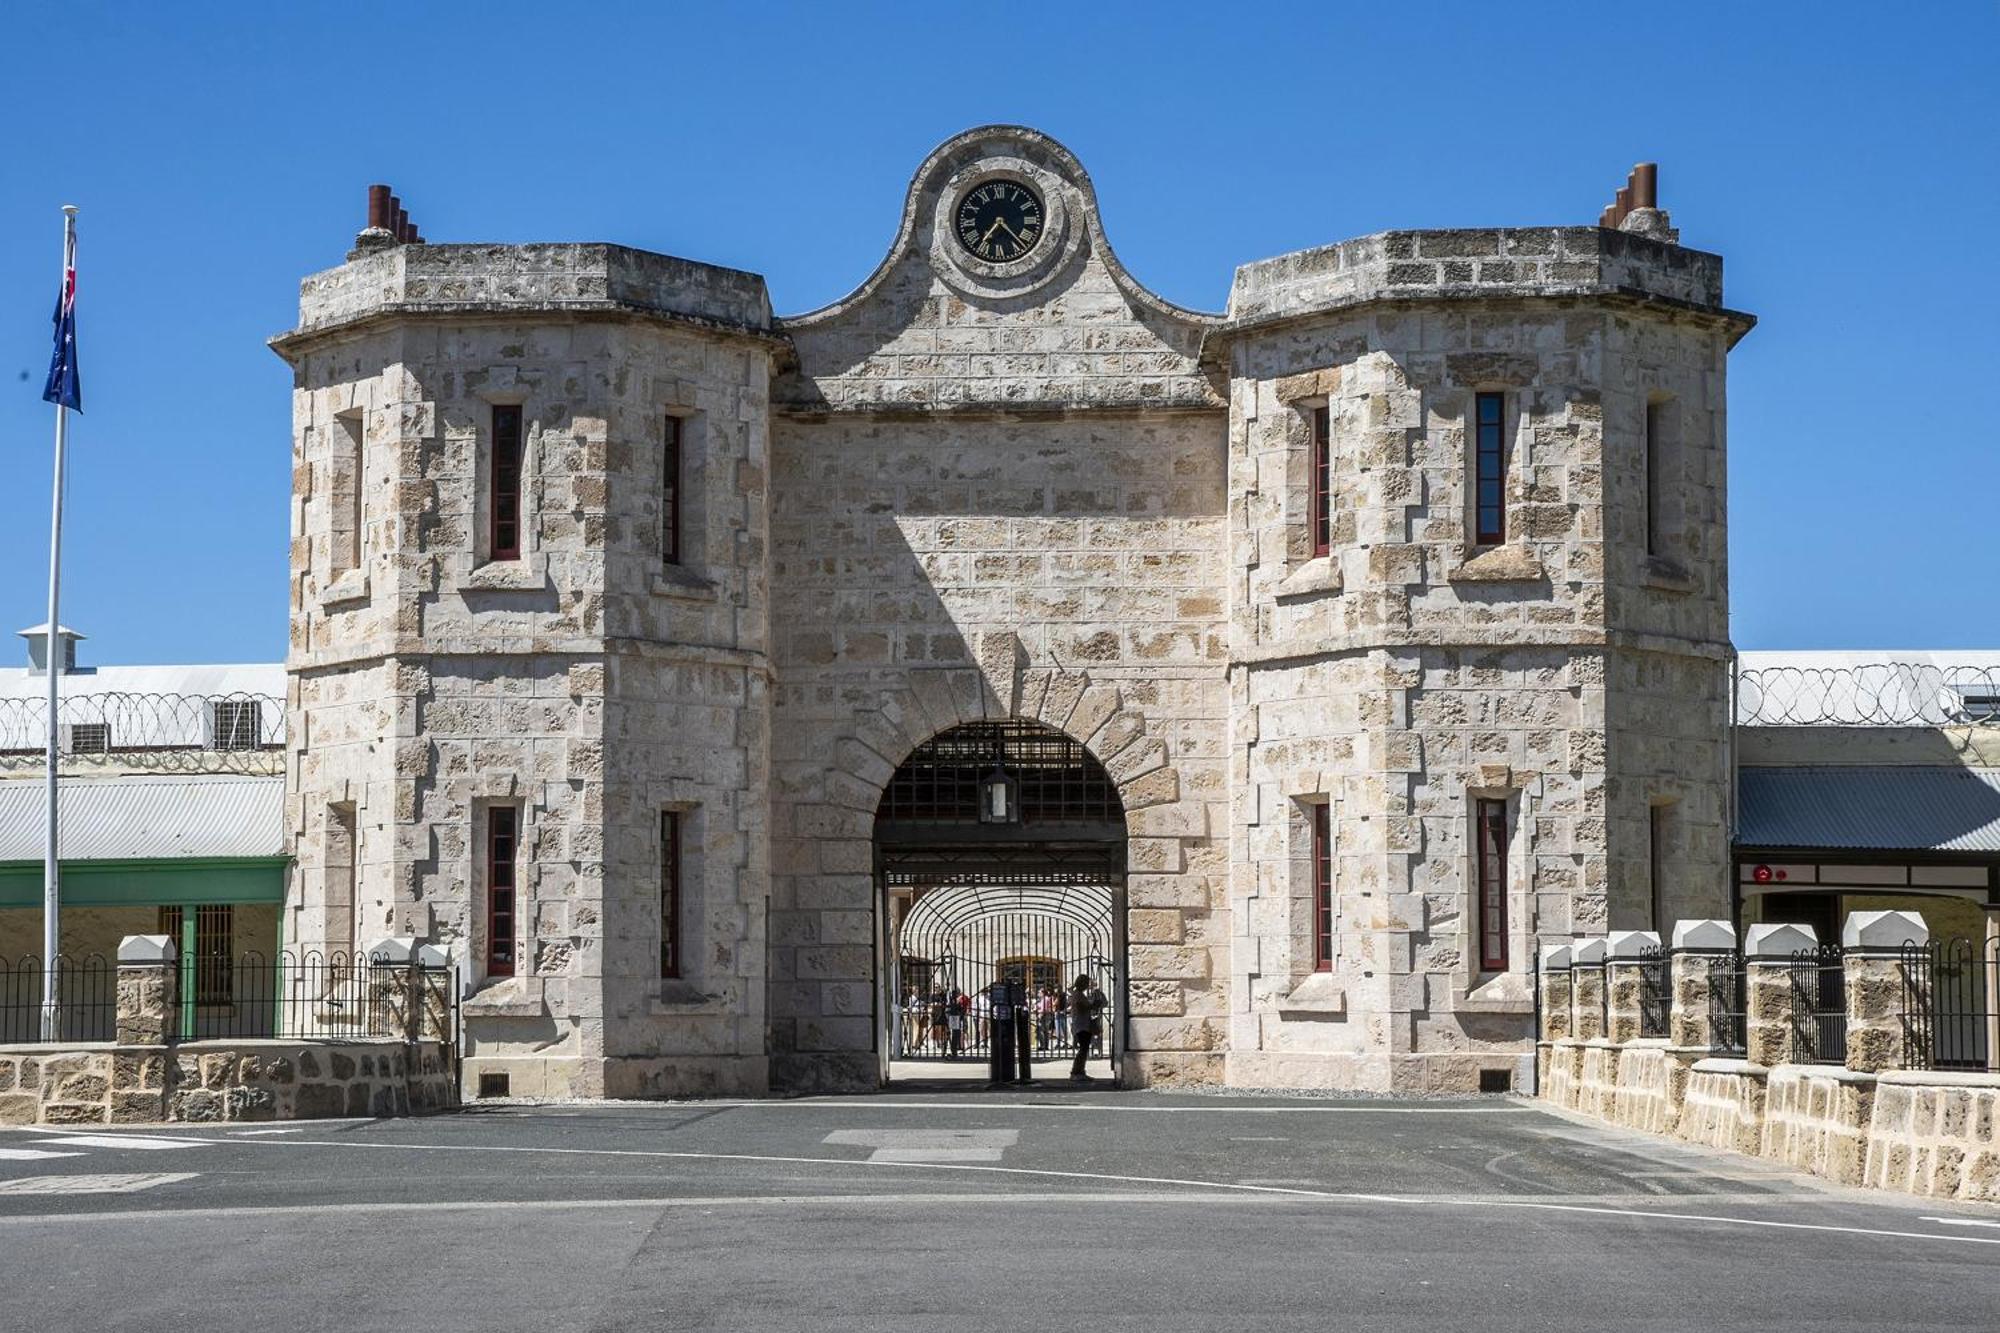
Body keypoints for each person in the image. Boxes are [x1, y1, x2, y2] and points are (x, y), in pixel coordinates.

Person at [1067, 973, 1106, 1081]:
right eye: (1086, 982)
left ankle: (1080, 1071)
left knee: (1084, 1049)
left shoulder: (1078, 994)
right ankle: (1076, 1071)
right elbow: (1081, 1008)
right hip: (1081, 1025)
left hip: (1082, 1024)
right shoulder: (1078, 995)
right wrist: (1092, 1006)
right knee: (1083, 1049)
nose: (1087, 985)